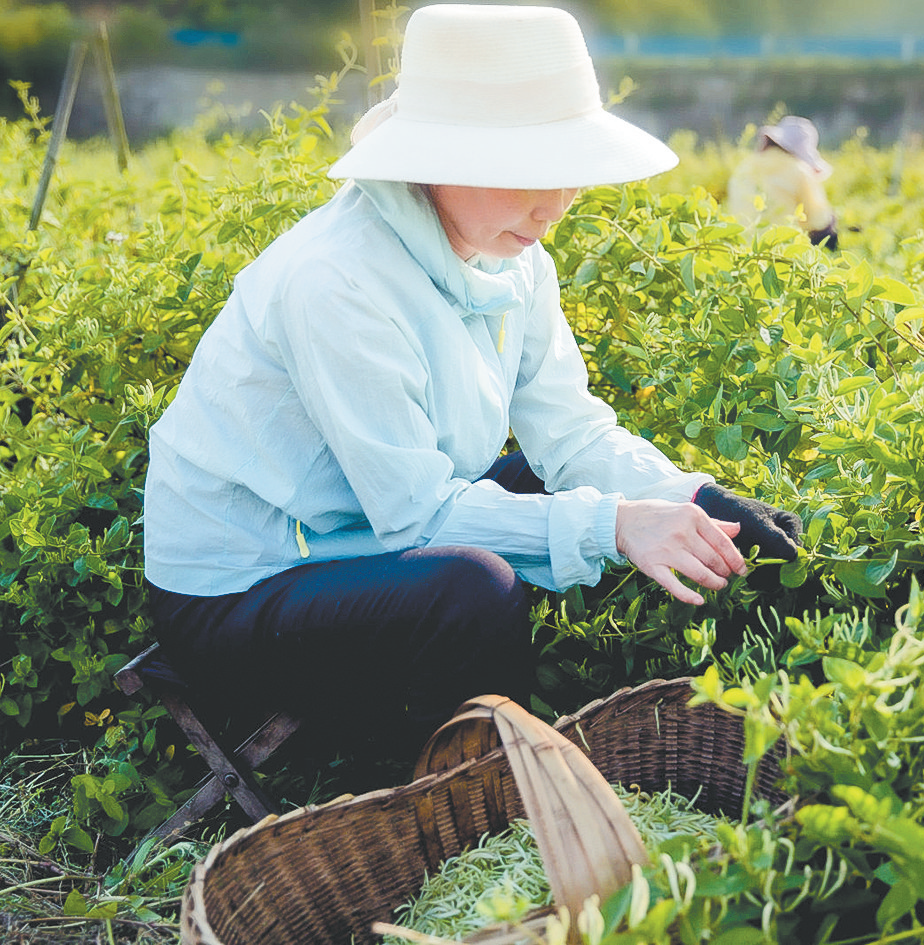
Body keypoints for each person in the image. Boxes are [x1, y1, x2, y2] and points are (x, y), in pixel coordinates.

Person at [140, 3, 802, 758]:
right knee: (473, 589)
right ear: (439, 157)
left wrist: (690, 496)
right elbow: (416, 518)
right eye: (530, 177)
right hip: (244, 587)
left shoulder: (513, 256)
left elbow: (571, 431)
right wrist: (616, 524)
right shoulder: (336, 279)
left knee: (551, 490)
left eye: (570, 180)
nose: (553, 210)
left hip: (353, 528)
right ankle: (472, 794)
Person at [725, 116, 839, 249]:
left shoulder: (745, 166)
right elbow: (819, 220)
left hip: (741, 248)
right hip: (780, 251)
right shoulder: (798, 170)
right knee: (827, 234)